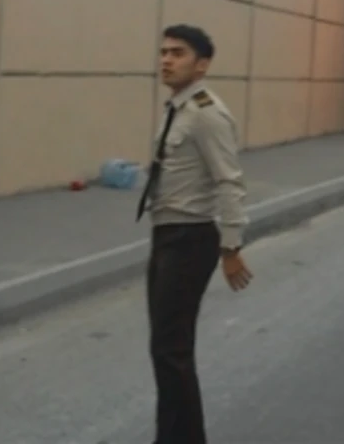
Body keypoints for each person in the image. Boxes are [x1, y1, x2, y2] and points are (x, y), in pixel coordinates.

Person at [136, 23, 253, 444]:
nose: (166, 60)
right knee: (167, 349)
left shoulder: (207, 114)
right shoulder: (179, 108)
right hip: (168, 234)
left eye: (178, 53)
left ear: (201, 65)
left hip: (190, 239)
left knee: (171, 351)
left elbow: (229, 181)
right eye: (164, 51)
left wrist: (231, 246)